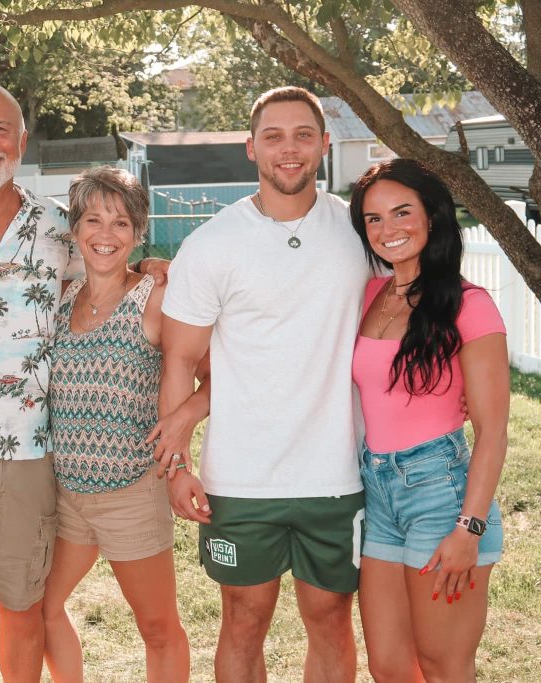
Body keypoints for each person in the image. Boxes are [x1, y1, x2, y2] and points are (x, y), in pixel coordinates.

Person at [0, 82, 167, 682]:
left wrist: (151, 266)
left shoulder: (57, 229)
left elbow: (107, 266)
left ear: (21, 141)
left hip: (33, 455)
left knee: (22, 609)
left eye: (0, 131)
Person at [154, 86, 370, 682]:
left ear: (325, 145)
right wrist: (178, 468)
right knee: (245, 618)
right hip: (241, 477)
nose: (289, 149)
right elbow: (179, 360)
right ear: (251, 148)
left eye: (304, 135)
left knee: (329, 617)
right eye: (273, 136)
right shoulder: (212, 244)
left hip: (337, 471)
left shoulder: (360, 233)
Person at [349, 158, 508, 681]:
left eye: (401, 213)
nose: (387, 230)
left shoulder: (469, 305)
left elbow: (492, 433)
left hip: (442, 494)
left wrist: (470, 528)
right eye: (373, 219)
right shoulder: (372, 294)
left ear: (432, 217)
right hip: (379, 489)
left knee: (443, 665)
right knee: (390, 665)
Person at [41, 167, 193, 682]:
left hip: (131, 490)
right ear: (75, 229)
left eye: (121, 223)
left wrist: (181, 424)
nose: (105, 234)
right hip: (67, 494)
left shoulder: (155, 296)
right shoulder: (61, 295)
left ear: (138, 233)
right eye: (93, 220)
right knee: (42, 610)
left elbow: (215, 374)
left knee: (156, 626)